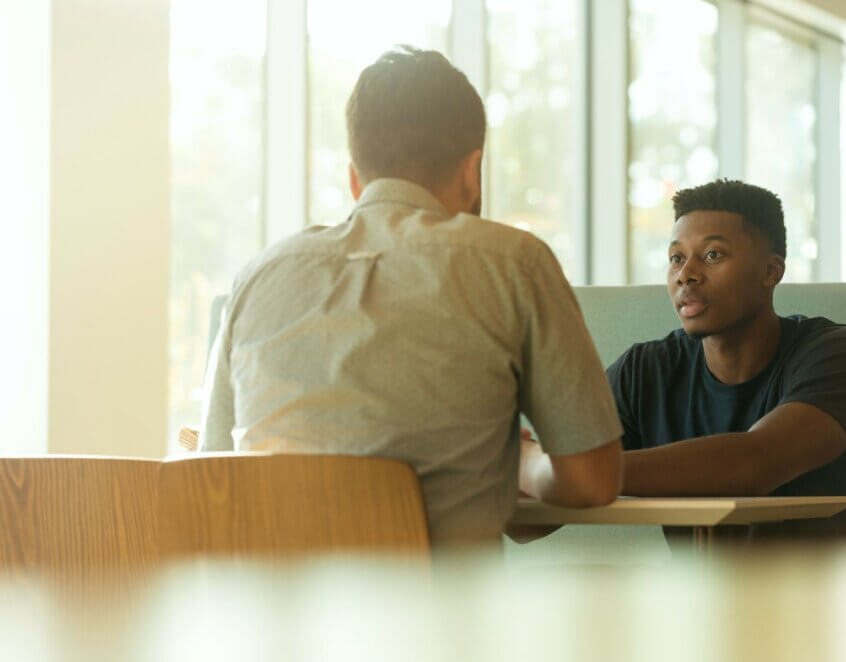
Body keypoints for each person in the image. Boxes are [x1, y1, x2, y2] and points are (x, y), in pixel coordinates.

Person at [197, 46, 623, 549]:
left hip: (270, 619)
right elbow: (593, 481)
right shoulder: (514, 262)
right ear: (473, 171)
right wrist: (524, 463)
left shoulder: (257, 277)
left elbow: (210, 476)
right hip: (439, 621)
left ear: (355, 179)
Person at [603, 179, 846, 543]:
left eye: (712, 255)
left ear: (771, 272)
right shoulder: (644, 371)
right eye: (676, 257)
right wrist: (527, 469)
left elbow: (754, 464)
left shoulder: (843, 355)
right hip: (696, 598)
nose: (685, 274)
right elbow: (529, 524)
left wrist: (574, 472)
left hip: (820, 597)